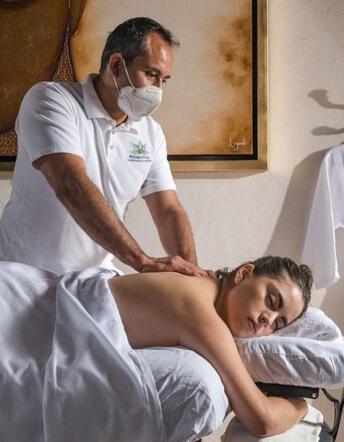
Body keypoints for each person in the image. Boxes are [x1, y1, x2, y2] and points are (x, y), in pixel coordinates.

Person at [0, 17, 205, 276]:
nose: (158, 90)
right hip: (22, 275)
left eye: (164, 80)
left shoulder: (151, 134)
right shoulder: (51, 100)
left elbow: (168, 210)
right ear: (116, 65)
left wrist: (193, 275)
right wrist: (141, 261)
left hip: (93, 278)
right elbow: (71, 185)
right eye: (151, 74)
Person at [109, 255, 314, 436]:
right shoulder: (201, 312)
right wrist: (302, 407)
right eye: (272, 300)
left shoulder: (203, 292)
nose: (268, 320)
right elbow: (263, 421)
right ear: (244, 273)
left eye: (278, 324)